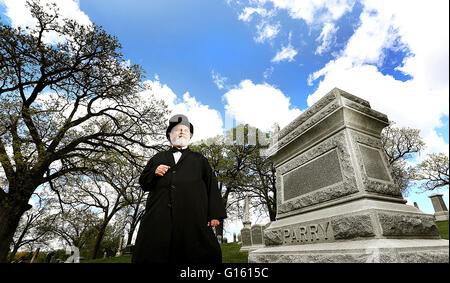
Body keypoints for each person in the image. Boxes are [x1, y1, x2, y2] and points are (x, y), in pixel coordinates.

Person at [132, 114, 227, 263]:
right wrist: (154, 172)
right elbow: (143, 183)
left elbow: (211, 185)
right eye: (177, 129)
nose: (181, 131)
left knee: (202, 254)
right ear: (170, 135)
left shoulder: (200, 160)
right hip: (158, 218)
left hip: (193, 217)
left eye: (185, 130)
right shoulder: (156, 158)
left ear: (190, 136)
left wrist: (214, 214)